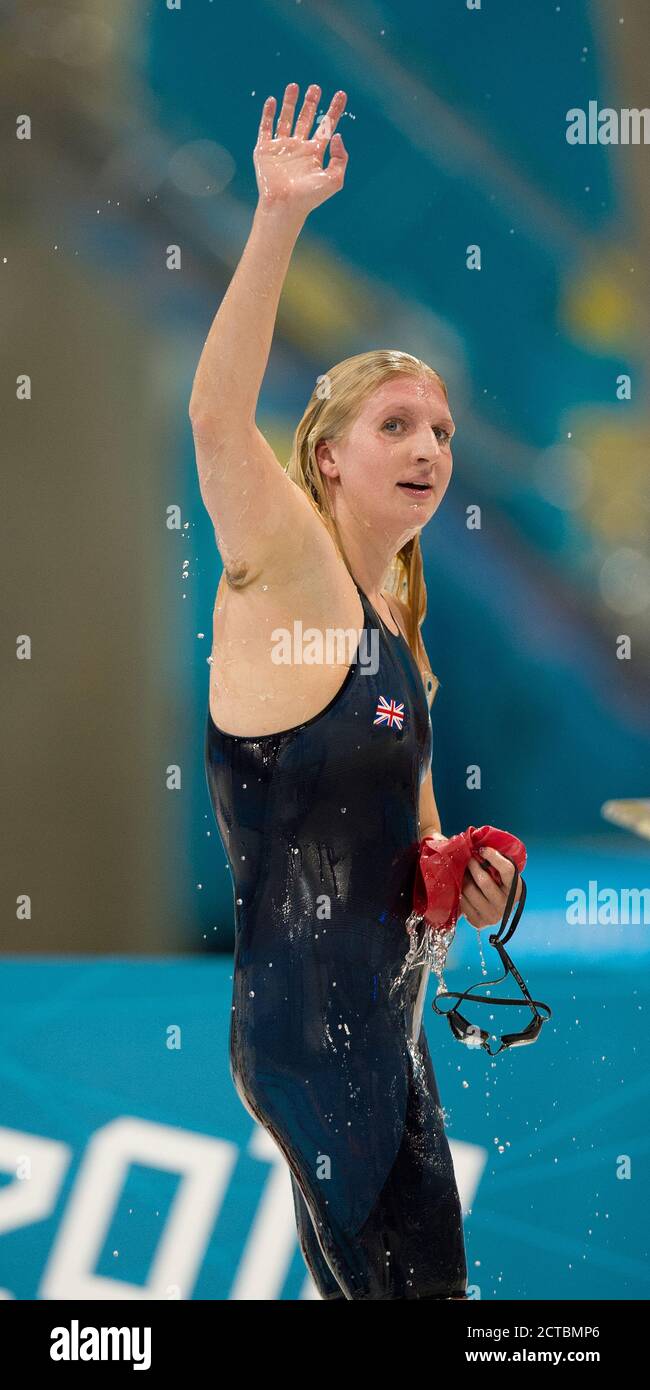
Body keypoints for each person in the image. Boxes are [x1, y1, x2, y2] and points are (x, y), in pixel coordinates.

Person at [191, 81, 521, 1300]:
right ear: (329, 454)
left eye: (439, 429)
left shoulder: (399, 627)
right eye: (396, 425)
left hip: (384, 1035)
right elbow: (219, 418)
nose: (430, 448)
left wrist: (463, 884)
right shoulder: (293, 582)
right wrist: (278, 216)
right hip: (309, 1040)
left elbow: (418, 853)